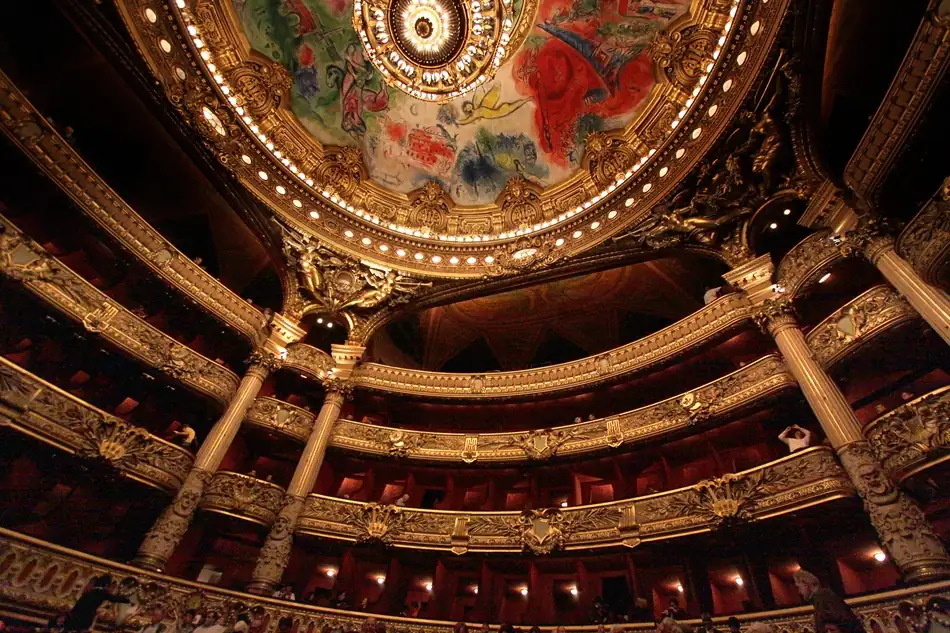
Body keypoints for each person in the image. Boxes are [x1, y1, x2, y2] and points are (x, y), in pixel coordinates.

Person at [793, 569, 866, 633]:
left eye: (799, 587)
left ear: (805, 584)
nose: (799, 592)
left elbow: (835, 624)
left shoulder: (822, 597)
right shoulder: (823, 596)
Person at [63, 574, 130, 632]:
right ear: (106, 585)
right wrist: (128, 600)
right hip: (85, 617)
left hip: (76, 614)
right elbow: (114, 599)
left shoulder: (90, 591)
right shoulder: (102, 593)